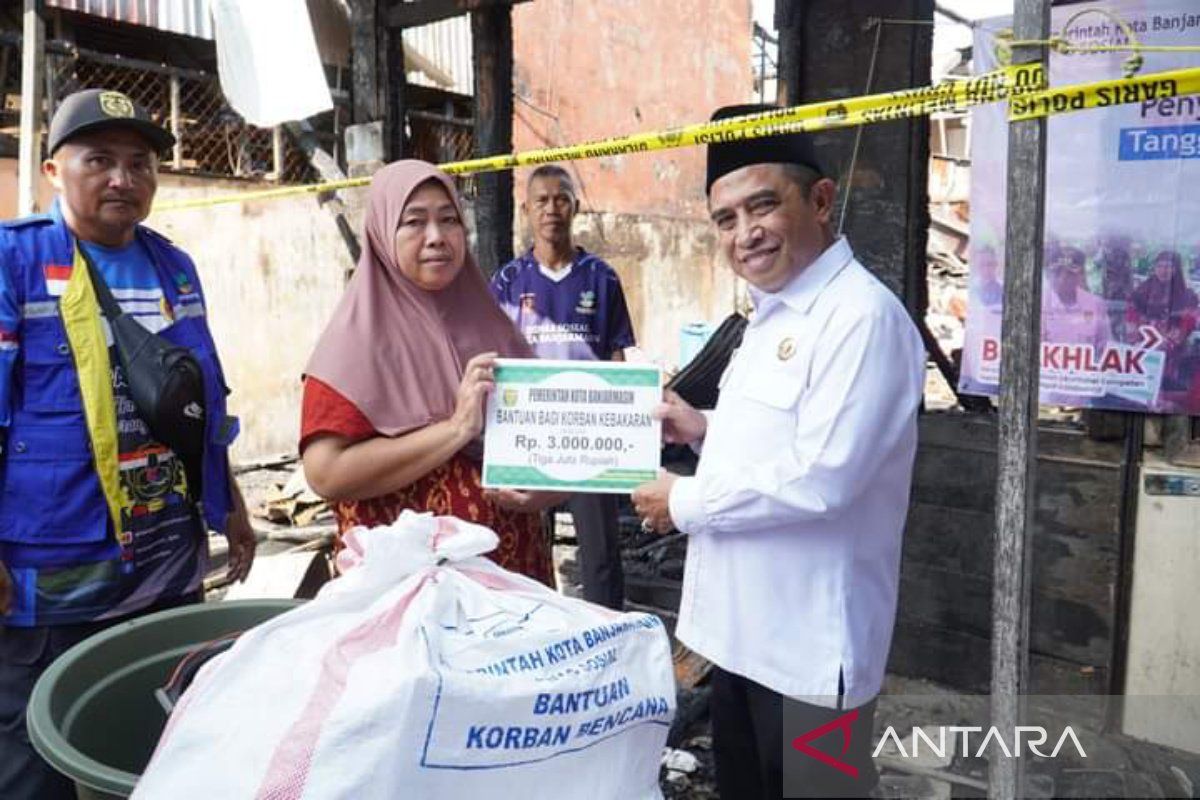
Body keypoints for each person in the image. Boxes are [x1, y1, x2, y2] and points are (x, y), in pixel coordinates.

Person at [631, 105, 925, 799]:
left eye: (762, 206)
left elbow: (824, 478)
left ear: (821, 201)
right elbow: (779, 435)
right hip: (742, 642)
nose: (744, 234)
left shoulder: (861, 318)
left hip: (812, 658)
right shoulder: (772, 312)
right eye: (725, 219)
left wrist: (684, 501)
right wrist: (700, 426)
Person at [0, 88, 255, 799]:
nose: (123, 178)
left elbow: (205, 396)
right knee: (32, 752)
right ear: (54, 169)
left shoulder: (174, 267)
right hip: (52, 564)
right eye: (100, 159)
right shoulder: (14, 261)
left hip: (165, 559)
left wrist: (229, 500)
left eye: (139, 163)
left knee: (156, 737)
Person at [301, 160, 560, 585]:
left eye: (449, 220)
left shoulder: (494, 328)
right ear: (384, 233)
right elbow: (325, 473)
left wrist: (547, 491)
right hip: (408, 586)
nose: (437, 237)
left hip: (509, 571)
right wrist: (455, 429)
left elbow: (545, 448)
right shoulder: (354, 342)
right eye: (414, 222)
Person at [489, 164, 636, 609]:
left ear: (574, 206)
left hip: (587, 439)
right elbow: (495, 359)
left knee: (600, 557)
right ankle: (535, 636)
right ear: (526, 210)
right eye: (541, 200)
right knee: (524, 553)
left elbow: (617, 356)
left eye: (561, 198)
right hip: (529, 437)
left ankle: (607, 641)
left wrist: (620, 437)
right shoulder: (508, 282)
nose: (551, 208)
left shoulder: (602, 278)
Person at [1128, 249, 1198, 393]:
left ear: (1175, 269)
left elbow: (1189, 321)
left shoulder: (1186, 294)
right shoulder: (1142, 290)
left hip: (1171, 350)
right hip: (1143, 345)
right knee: (1141, 385)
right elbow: (1132, 314)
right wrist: (1137, 333)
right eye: (1159, 266)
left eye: (1168, 266)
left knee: (1165, 387)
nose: (1163, 270)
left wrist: (1169, 340)